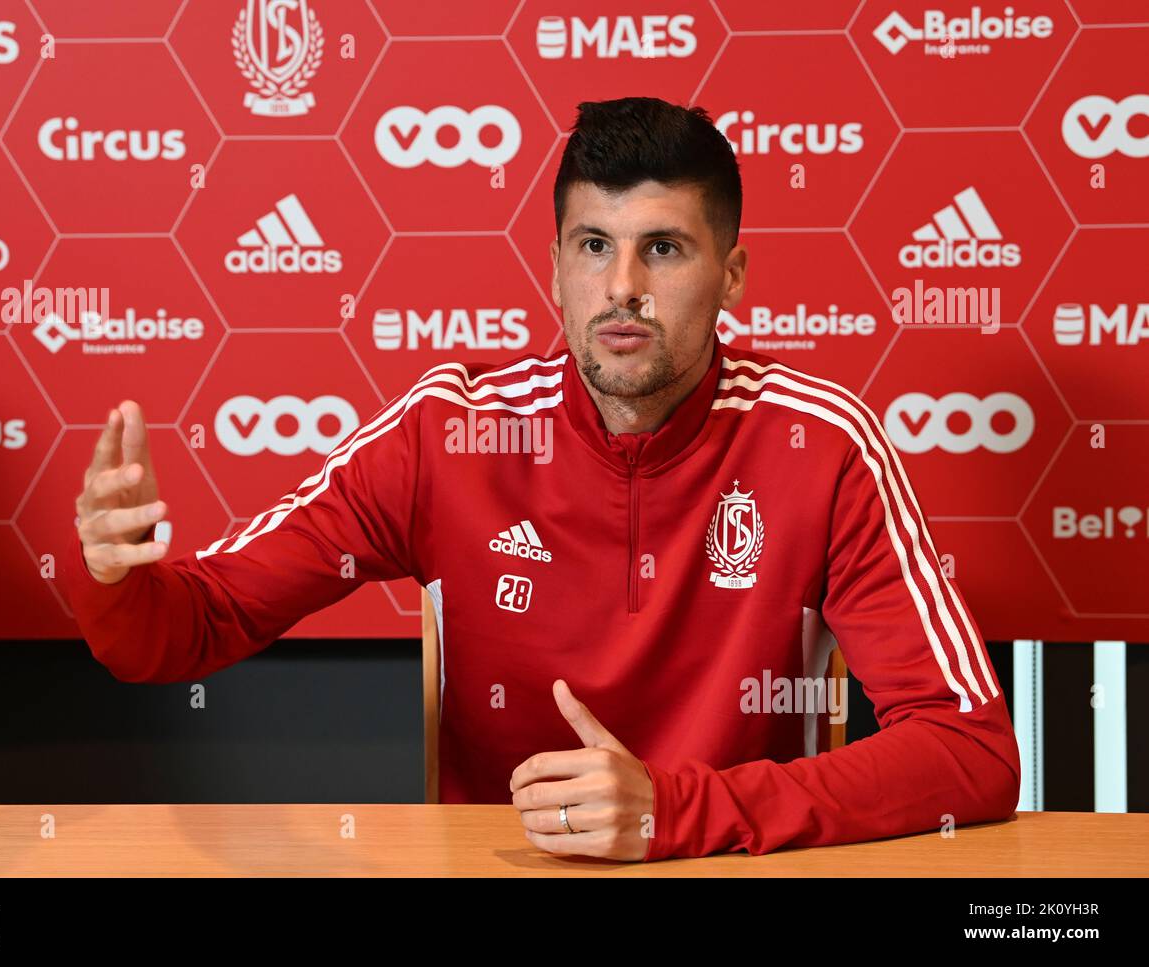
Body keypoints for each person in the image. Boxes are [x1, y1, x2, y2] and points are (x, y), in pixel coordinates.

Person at [65, 96, 1020, 862]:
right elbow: (183, 630)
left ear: (731, 276)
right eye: (593, 245)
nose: (622, 288)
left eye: (665, 248)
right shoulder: (453, 431)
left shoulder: (821, 443)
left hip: (731, 866)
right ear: (555, 264)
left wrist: (677, 811)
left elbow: (970, 749)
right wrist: (117, 581)